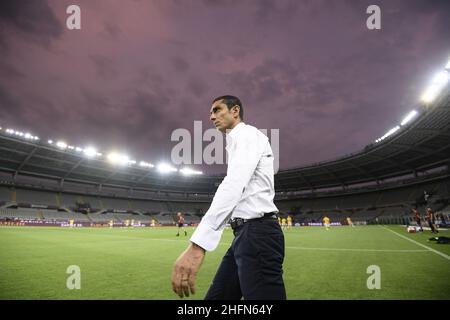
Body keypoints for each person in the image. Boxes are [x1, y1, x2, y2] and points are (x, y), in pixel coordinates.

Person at [171, 95, 285, 300]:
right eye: (210, 112)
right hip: (245, 235)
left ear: (235, 111)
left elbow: (234, 185)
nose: (211, 116)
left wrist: (198, 245)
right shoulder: (236, 141)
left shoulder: (248, 135)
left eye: (217, 110)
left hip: (257, 235)